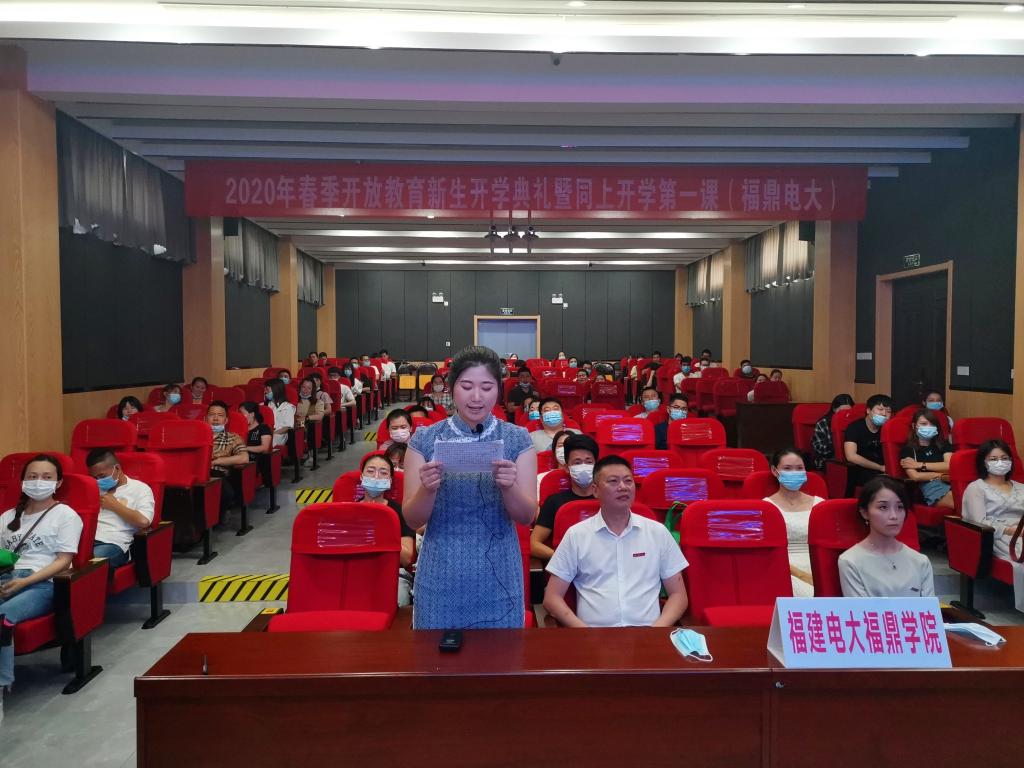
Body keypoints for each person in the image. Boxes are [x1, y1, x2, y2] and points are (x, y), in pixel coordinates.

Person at [403, 345, 536, 629]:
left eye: (487, 387)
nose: (476, 397)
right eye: (466, 386)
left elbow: (526, 517)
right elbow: (413, 519)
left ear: (498, 389)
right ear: (451, 388)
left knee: (499, 654)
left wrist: (509, 487)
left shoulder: (518, 439)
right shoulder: (423, 440)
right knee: (436, 655)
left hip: (500, 575)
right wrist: (427, 489)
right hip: (440, 574)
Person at [543, 456, 689, 627]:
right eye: (613, 481)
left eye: (628, 481)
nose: (623, 487)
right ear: (595, 490)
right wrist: (584, 633)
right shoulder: (576, 535)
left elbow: (678, 595)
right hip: (593, 635)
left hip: (648, 634)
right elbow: (552, 598)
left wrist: (656, 631)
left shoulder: (658, 532)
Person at [0, 456, 83, 701]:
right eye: (32, 477)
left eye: (47, 477)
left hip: (43, 584)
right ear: (23, 481)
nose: (39, 482)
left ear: (58, 483)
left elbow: (63, 561)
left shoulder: (65, 515)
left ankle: (2, 685)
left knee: (2, 618)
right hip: (7, 577)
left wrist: (25, 582)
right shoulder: (7, 517)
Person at [839, 476, 935, 598]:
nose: (894, 516)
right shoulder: (850, 561)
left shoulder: (921, 561)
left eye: (900, 507)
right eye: (883, 507)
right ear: (864, 512)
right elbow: (860, 609)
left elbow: (928, 608)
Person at [961, 440, 1024, 610]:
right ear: (984, 462)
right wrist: (1012, 530)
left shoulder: (1021, 487)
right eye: (994, 459)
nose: (1000, 462)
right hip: (998, 535)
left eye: (1004, 458)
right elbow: (979, 521)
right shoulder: (976, 488)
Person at [762, 448, 824, 597]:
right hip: (784, 568)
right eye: (787, 468)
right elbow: (767, 554)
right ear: (775, 471)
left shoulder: (821, 505)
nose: (794, 473)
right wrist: (803, 576)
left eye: (799, 468)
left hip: (819, 566)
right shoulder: (765, 508)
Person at [359, 454, 416, 607]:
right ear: (361, 476)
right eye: (370, 471)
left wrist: (380, 530)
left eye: (383, 472)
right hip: (357, 571)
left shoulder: (399, 512)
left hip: (391, 573)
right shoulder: (349, 511)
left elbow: (406, 559)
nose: (376, 476)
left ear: (390, 481)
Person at [530, 434, 599, 563]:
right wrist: (565, 559)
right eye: (577, 463)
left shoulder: (608, 500)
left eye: (589, 462)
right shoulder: (554, 502)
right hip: (566, 567)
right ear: (567, 468)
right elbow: (533, 544)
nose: (583, 467)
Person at [85, 449, 155, 569]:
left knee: (87, 564)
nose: (98, 481)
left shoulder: (140, 489)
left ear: (117, 468)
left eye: (102, 476)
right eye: (95, 478)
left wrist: (115, 506)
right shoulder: (93, 489)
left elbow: (144, 521)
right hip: (87, 540)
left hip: (114, 543)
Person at [899, 408, 953, 508]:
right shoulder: (908, 449)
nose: (928, 427)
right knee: (962, 502)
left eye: (932, 424)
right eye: (924, 424)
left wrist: (920, 465)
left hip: (952, 482)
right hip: (932, 486)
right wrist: (942, 475)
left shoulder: (943, 444)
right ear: (914, 426)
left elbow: (949, 466)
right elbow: (915, 476)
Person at [207, 401, 249, 520]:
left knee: (226, 492)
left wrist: (216, 461)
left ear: (226, 420)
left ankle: (216, 519)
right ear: (206, 418)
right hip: (196, 474)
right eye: (212, 415)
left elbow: (244, 457)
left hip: (217, 474)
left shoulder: (233, 437)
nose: (215, 419)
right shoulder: (196, 435)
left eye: (220, 415)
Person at [843, 393, 893, 492]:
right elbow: (851, 456)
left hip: (885, 469)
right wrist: (879, 467)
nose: (884, 414)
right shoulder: (854, 427)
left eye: (888, 411)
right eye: (880, 409)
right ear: (868, 410)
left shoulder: (888, 429)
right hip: (861, 469)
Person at [811, 393, 854, 471]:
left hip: (851, 459)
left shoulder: (854, 421)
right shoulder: (823, 423)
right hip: (827, 460)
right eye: (841, 411)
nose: (844, 414)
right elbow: (819, 448)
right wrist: (837, 444)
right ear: (834, 409)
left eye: (848, 411)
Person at [536, 429, 572, 494]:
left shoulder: (586, 476)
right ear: (554, 451)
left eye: (569, 445)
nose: (565, 449)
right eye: (561, 445)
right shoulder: (541, 478)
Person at [264, 379, 295, 449]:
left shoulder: (287, 407)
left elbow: (287, 427)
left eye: (267, 390)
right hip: (266, 433)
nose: (265, 392)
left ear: (276, 390)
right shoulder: (264, 405)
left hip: (279, 434)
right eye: (265, 389)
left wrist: (272, 433)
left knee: (267, 442)